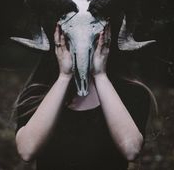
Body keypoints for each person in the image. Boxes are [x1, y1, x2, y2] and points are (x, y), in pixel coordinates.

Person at [14, 19, 150, 170]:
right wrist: (64, 77)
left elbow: (131, 150)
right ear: (59, 36)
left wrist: (100, 75)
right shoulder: (38, 92)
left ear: (107, 35)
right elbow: (26, 150)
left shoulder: (133, 92)